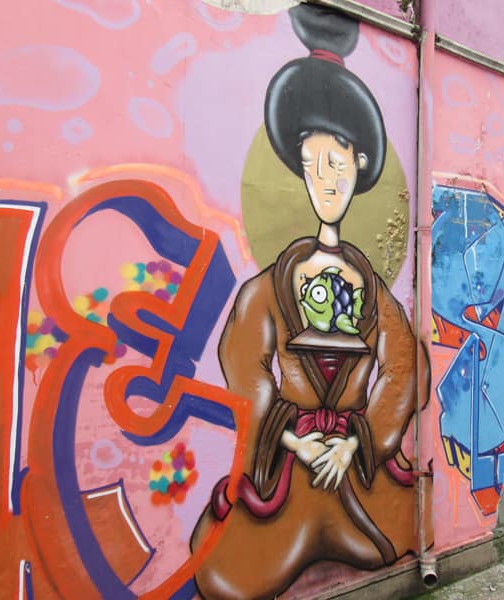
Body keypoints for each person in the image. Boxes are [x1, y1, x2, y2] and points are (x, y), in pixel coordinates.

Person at [190, 6, 428, 598]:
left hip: (356, 463)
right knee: (223, 571)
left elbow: (402, 369)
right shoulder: (269, 286)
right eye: (312, 164)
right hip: (291, 462)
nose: (325, 179)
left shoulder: (375, 292)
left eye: (336, 164)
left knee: (393, 535)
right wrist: (293, 438)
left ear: (359, 166)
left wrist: (354, 442)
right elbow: (245, 365)